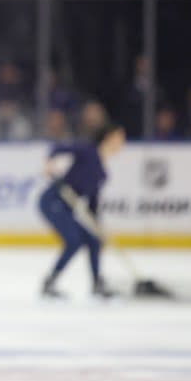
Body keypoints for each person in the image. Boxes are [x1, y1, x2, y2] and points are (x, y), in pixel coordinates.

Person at [38, 122, 126, 299]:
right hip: (53, 200)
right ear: (108, 137)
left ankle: (97, 284)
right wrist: (49, 162)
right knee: (74, 241)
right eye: (120, 138)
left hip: (67, 206)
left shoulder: (102, 173)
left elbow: (92, 204)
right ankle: (49, 283)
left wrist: (98, 226)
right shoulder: (88, 151)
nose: (122, 143)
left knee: (94, 239)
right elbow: (59, 147)